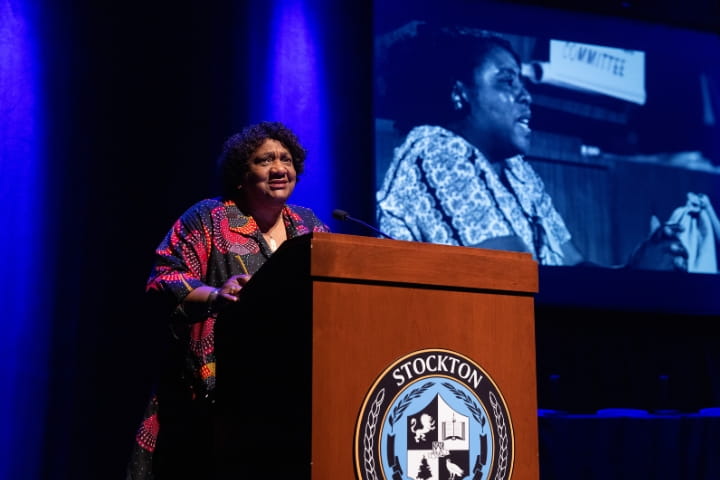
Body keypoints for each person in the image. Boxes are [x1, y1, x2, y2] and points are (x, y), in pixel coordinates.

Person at [375, 22, 690, 270]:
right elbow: (515, 277)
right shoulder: (435, 150)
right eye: (507, 81)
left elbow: (574, 265)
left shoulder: (517, 171)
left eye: (523, 83)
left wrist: (634, 267)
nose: (526, 96)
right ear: (460, 94)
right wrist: (631, 282)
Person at [125, 121, 330, 479]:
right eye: (265, 160)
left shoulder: (308, 226)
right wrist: (216, 295)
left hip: (294, 392)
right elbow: (164, 278)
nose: (279, 168)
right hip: (217, 394)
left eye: (286, 159)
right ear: (240, 175)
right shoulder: (209, 217)